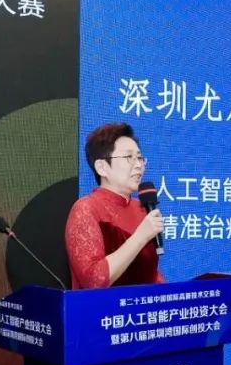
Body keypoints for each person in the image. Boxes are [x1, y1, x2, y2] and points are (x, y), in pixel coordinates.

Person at [64, 122, 165, 289]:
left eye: (140, 158)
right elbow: (94, 280)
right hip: (104, 306)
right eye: (129, 157)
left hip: (142, 305)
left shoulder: (142, 208)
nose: (138, 165)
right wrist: (140, 237)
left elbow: (149, 274)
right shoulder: (86, 209)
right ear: (102, 167)